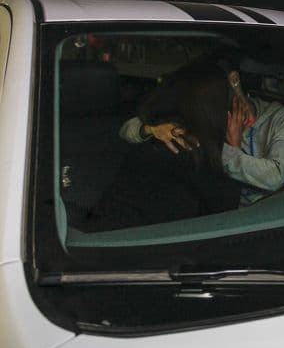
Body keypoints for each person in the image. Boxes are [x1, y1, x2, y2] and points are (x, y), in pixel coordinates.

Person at [88, 64, 243, 230]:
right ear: (215, 112)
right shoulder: (190, 156)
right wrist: (234, 148)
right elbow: (225, 218)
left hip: (106, 231)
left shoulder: (158, 135)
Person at [120, 65, 284, 206]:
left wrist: (231, 151)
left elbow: (273, 178)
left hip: (277, 210)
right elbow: (126, 130)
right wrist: (151, 128)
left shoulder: (281, 118)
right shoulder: (206, 113)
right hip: (228, 212)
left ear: (234, 80)